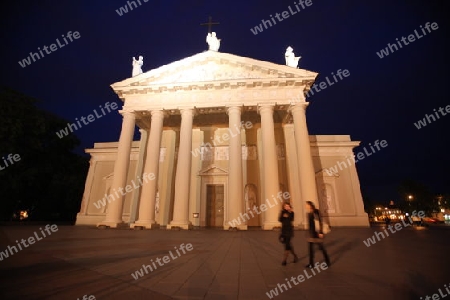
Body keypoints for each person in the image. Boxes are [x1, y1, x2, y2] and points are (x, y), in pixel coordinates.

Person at [305, 201, 330, 268]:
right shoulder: (308, 213)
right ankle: (311, 263)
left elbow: (319, 222)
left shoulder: (316, 212)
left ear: (310, 205)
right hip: (311, 234)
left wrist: (320, 232)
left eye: (307, 205)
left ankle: (327, 261)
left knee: (321, 248)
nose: (306, 206)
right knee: (310, 249)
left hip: (317, 233)